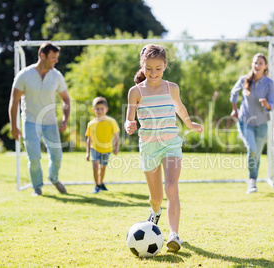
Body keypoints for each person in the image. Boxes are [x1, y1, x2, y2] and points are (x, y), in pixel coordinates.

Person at [125, 44, 203, 253]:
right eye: (149, 68)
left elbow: (179, 107)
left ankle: (174, 235)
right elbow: (129, 120)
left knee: (171, 186)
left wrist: (189, 123)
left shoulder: (172, 88)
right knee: (156, 197)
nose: (153, 73)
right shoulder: (135, 92)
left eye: (158, 68)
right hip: (149, 146)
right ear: (143, 66)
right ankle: (155, 211)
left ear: (165, 66)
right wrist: (129, 125)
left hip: (170, 143)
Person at [8, 42, 70, 197]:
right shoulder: (25, 75)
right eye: (53, 58)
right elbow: (14, 101)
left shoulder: (57, 76)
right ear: (43, 56)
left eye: (57, 58)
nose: (56, 61)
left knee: (57, 156)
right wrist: (14, 126)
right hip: (30, 122)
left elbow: (66, 100)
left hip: (50, 123)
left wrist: (65, 119)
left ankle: (54, 178)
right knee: (34, 157)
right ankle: (37, 187)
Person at [230, 53, 274, 194]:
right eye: (256, 63)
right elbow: (234, 93)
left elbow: (273, 104)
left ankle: (254, 180)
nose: (257, 65)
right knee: (252, 149)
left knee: (256, 154)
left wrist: (267, 105)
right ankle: (251, 180)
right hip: (245, 121)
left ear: (265, 66)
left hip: (262, 123)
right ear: (252, 64)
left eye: (261, 63)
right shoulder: (244, 80)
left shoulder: (269, 83)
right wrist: (234, 109)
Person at [86, 96, 120, 194]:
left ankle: (101, 183)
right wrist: (87, 153)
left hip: (107, 149)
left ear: (106, 109)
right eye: (97, 109)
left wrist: (116, 147)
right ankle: (97, 185)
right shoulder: (91, 124)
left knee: (102, 168)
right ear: (93, 110)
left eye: (102, 108)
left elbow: (116, 136)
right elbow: (89, 139)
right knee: (95, 167)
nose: (100, 111)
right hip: (95, 149)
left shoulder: (111, 122)